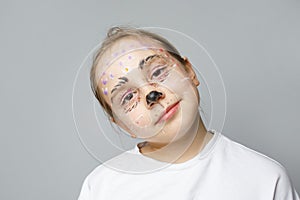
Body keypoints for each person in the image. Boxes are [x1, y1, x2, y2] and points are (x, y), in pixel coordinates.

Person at [78, 26, 299, 200]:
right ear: (122, 124)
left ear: (190, 72)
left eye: (158, 71)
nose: (152, 95)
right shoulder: (101, 188)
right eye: (128, 97)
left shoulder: (264, 178)